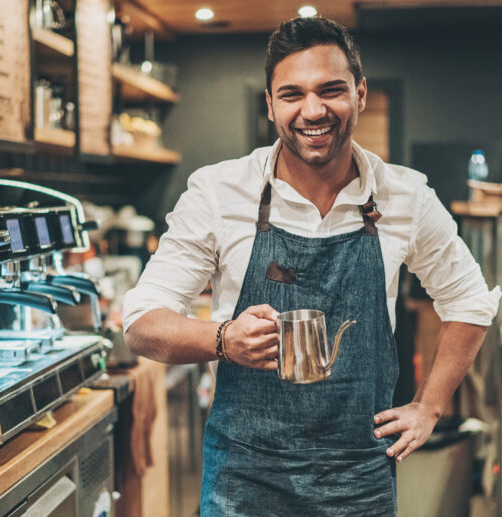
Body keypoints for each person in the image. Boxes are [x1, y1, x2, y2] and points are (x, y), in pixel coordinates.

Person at [123, 16, 500, 516]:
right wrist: (223, 340)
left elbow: (470, 300)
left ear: (360, 94)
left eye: (331, 90)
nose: (313, 110)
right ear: (271, 104)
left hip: (359, 477)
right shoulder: (218, 192)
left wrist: (429, 407)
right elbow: (141, 323)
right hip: (244, 477)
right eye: (292, 94)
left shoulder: (404, 195)